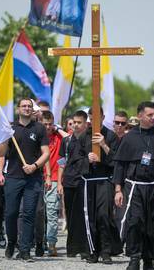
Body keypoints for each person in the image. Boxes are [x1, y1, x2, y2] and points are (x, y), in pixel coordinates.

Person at [113, 101, 154, 270]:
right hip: (135, 187)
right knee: (135, 222)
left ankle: (149, 260)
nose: (153, 118)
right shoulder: (130, 137)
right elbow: (120, 165)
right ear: (140, 116)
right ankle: (134, 258)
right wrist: (118, 189)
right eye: (150, 115)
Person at [0, 98, 50, 261]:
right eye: (24, 106)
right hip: (13, 177)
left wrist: (34, 166)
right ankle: (12, 242)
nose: (27, 108)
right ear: (18, 109)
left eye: (29, 106)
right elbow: (0, 153)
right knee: (11, 213)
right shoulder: (10, 128)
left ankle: (25, 250)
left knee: (28, 214)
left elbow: (46, 153)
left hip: (33, 179)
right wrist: (6, 137)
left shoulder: (39, 128)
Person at [83, 107, 123, 264]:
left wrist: (104, 146)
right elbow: (75, 160)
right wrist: (87, 159)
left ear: (103, 117)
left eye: (98, 118)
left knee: (104, 216)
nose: (94, 121)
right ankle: (93, 251)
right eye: (92, 118)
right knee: (90, 218)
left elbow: (117, 161)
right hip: (88, 182)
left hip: (105, 180)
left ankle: (106, 251)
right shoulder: (83, 136)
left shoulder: (111, 136)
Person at [57, 110, 91, 258]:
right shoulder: (66, 141)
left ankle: (84, 248)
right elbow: (61, 163)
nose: (76, 125)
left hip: (83, 181)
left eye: (79, 122)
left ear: (85, 123)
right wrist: (59, 182)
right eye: (74, 123)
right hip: (69, 181)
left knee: (82, 216)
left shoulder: (89, 140)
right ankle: (72, 247)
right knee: (70, 215)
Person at [40, 110, 69, 256]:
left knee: (52, 213)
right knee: (39, 214)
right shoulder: (37, 136)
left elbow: (70, 138)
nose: (47, 127)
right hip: (38, 179)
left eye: (50, 124)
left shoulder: (58, 136)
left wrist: (58, 129)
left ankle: (52, 243)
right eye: (44, 124)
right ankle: (40, 241)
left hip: (54, 179)